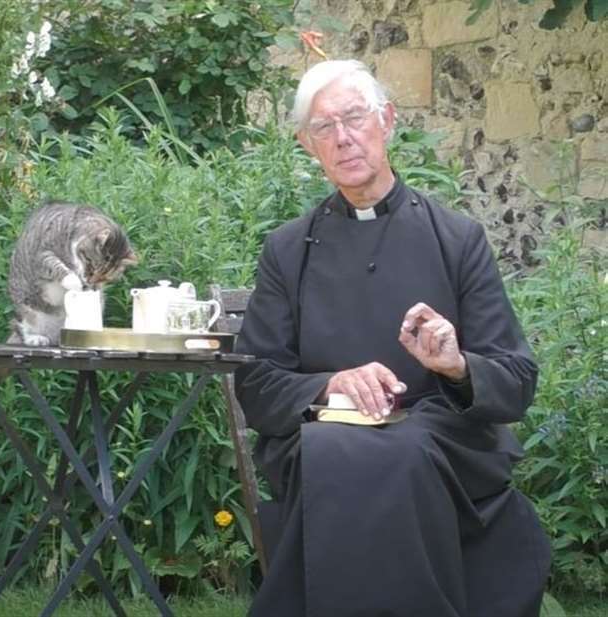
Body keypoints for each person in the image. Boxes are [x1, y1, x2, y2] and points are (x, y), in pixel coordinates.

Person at [234, 59, 551, 617]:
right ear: (308, 145)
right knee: (340, 449)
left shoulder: (457, 239)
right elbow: (257, 382)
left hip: (442, 435)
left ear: (387, 120)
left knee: (398, 452)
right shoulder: (287, 250)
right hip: (323, 427)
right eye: (324, 128)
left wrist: (457, 366)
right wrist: (333, 382)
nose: (344, 138)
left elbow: (517, 380)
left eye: (354, 117)